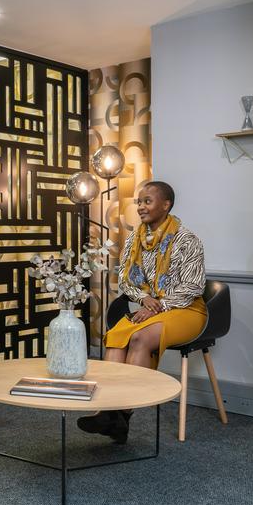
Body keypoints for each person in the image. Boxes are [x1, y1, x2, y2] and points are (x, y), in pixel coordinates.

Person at [77, 181, 206, 444]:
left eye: (148, 201)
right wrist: (144, 298)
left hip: (187, 309)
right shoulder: (135, 239)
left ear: (166, 205)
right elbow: (125, 280)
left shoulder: (188, 240)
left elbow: (194, 286)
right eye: (139, 202)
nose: (141, 207)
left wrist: (159, 306)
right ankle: (110, 412)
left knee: (139, 338)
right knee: (116, 335)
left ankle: (120, 414)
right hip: (153, 308)